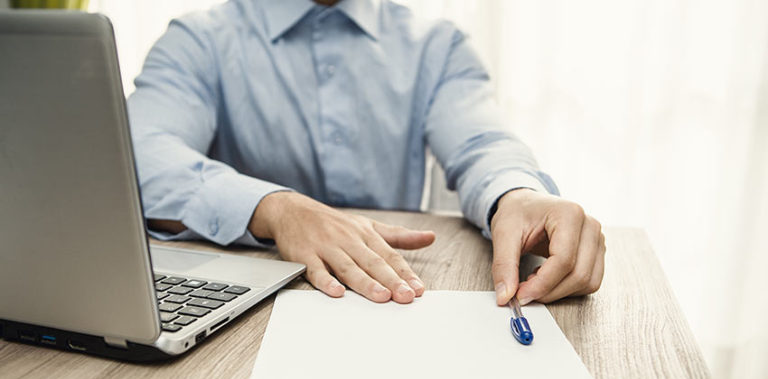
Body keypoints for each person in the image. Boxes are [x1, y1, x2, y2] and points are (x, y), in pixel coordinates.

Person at [128, 0, 605, 307]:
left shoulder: (437, 47)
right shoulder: (197, 41)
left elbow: (482, 142)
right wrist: (275, 210)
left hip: (393, 305)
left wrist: (515, 194)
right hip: (246, 312)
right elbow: (139, 152)